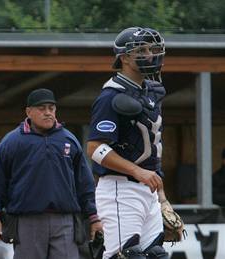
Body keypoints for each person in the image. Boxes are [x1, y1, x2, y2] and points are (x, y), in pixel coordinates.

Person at [0, 88, 102, 259]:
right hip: (27, 220)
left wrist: (94, 217)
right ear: (28, 112)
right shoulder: (12, 142)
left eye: (51, 108)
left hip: (66, 220)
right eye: (41, 108)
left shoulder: (68, 140)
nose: (47, 113)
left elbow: (85, 183)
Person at [87, 27, 168, 259]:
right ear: (123, 58)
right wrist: (138, 172)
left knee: (155, 254)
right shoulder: (111, 96)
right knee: (126, 255)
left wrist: (161, 195)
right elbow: (95, 148)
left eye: (152, 49)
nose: (150, 55)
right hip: (119, 188)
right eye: (141, 50)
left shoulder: (150, 92)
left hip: (147, 189)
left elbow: (150, 151)